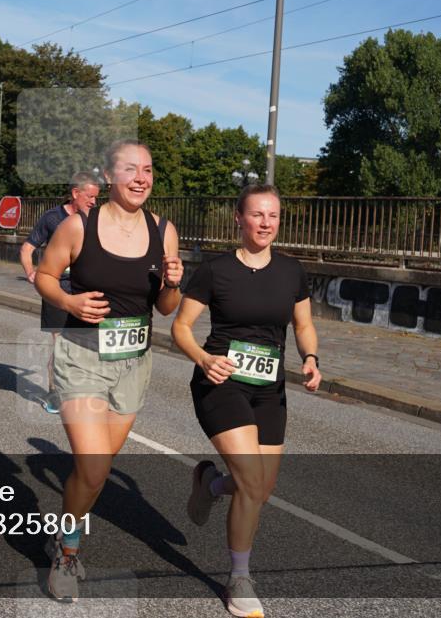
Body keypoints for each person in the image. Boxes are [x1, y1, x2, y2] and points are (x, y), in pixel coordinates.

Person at [35, 140, 184, 602]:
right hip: (82, 355)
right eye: (131, 170)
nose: (141, 178)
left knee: (93, 472)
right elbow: (44, 274)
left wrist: (174, 284)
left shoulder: (164, 231)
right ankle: (66, 555)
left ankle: (68, 533)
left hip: (134, 362)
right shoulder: (79, 227)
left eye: (148, 170)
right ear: (109, 176)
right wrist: (68, 300)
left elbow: (165, 308)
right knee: (95, 466)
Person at [171, 183, 322, 618]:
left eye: (272, 215)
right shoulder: (216, 271)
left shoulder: (292, 271)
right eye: (256, 214)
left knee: (261, 488)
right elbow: (181, 327)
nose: (265, 223)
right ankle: (239, 577)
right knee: (253, 482)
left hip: (269, 388)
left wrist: (310, 358)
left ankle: (211, 486)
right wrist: (203, 359)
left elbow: (304, 325)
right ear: (239, 218)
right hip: (222, 383)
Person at [19, 171, 101, 413]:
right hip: (57, 289)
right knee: (60, 346)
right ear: (75, 193)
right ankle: (55, 394)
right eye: (90, 196)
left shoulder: (95, 219)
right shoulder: (52, 218)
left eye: (97, 197)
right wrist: (31, 273)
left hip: (85, 290)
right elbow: (27, 248)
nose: (94, 202)